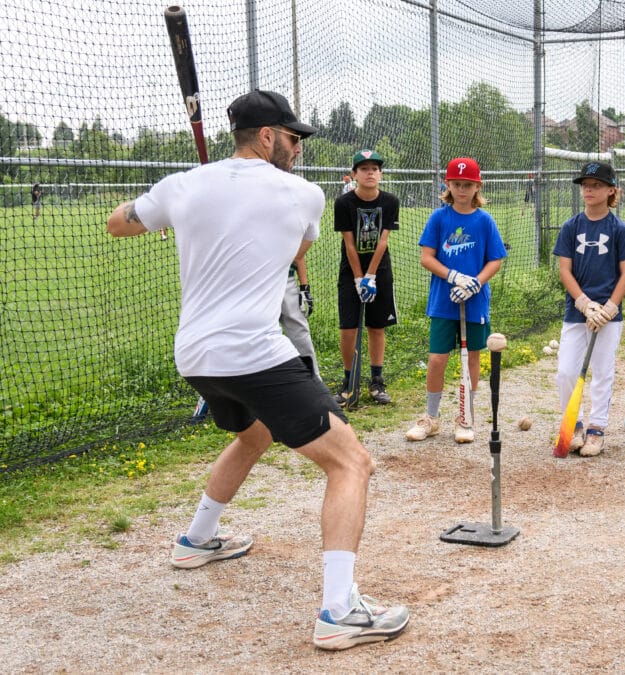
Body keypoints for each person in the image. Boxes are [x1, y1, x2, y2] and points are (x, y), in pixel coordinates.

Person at [105, 89, 408, 651]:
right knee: (352, 464)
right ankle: (340, 610)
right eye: (292, 138)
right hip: (252, 353)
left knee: (256, 433)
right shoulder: (303, 195)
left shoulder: (183, 186)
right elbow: (294, 245)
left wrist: (180, 211)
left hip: (195, 355)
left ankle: (196, 540)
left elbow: (117, 223)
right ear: (266, 136)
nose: (297, 148)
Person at [406, 157, 507, 443]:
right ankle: (431, 417)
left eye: (468, 185)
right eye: (457, 184)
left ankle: (466, 416)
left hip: (475, 300)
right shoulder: (439, 218)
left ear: (477, 187)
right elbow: (427, 257)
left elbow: (495, 260)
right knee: (438, 358)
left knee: (471, 357)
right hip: (443, 300)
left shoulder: (484, 220)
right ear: (447, 185)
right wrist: (453, 276)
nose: (462, 189)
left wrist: (475, 282)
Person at [553, 162, 625, 456]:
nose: (589, 190)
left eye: (597, 185)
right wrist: (584, 303)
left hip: (608, 316)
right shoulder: (571, 226)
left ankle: (596, 428)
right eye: (586, 185)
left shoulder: (619, 229)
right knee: (565, 372)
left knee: (602, 372)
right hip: (577, 312)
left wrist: (610, 307)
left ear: (611, 190)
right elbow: (565, 270)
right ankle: (573, 424)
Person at [334, 149, 398, 405]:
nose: (370, 173)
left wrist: (370, 276)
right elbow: (349, 244)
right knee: (348, 327)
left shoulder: (390, 201)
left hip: (379, 272)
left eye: (374, 169)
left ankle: (377, 381)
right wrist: (359, 279)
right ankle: (349, 381)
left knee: (376, 326)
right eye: (364, 169)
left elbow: (383, 241)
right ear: (354, 174)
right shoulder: (344, 203)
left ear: (380, 174)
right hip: (351, 272)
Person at [280, 249, 320, 380]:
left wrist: (304, 288)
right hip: (256, 283)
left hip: (286, 280)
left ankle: (314, 382)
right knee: (261, 336)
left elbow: (299, 252)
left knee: (300, 333)